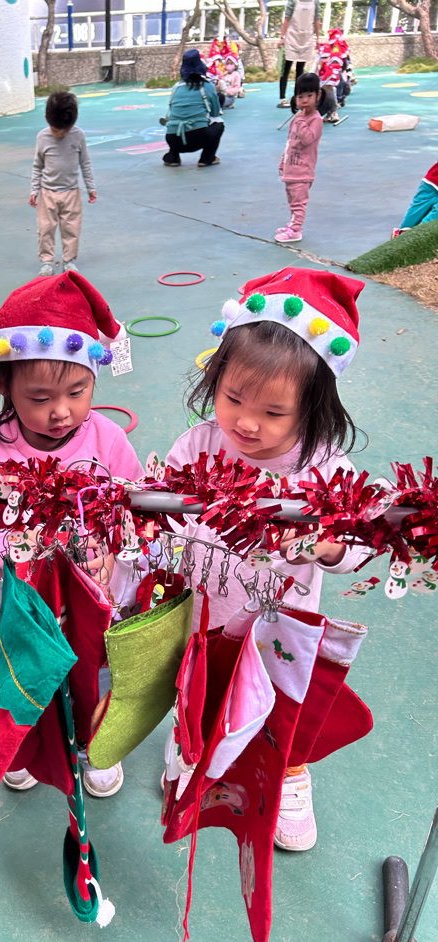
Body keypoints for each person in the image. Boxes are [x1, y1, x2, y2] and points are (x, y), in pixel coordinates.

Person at [162, 266, 367, 852]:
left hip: (280, 623)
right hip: (205, 612)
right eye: (233, 398)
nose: (247, 423)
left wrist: (331, 546)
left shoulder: (324, 469)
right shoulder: (199, 444)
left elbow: (358, 541)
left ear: (314, 408)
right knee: (198, 690)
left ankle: (290, 775)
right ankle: (190, 751)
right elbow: (163, 508)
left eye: (274, 412)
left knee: (283, 708)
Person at [0, 270, 144, 798]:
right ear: (3, 384)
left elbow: (136, 507)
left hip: (93, 592)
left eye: (77, 391)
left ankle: (94, 741)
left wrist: (113, 552)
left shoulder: (106, 439)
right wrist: (8, 548)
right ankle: (25, 743)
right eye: (40, 397)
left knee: (95, 666)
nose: (61, 411)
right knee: (24, 666)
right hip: (23, 595)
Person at [30, 91, 96, 278]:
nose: (60, 134)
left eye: (65, 130)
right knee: (45, 229)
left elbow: (85, 162)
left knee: (71, 228)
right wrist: (34, 190)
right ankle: (47, 262)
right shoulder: (42, 137)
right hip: (47, 193)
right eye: (56, 129)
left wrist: (91, 187)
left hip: (71, 192)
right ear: (46, 119)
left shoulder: (78, 135)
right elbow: (38, 165)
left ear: (73, 122)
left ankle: (69, 261)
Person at [276, 72, 324, 243]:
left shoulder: (315, 120)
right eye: (300, 96)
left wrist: (301, 121)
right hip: (291, 168)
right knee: (292, 201)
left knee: (298, 203)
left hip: (303, 171)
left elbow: (307, 139)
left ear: (318, 95)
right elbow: (290, 142)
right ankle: (292, 225)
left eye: (309, 95)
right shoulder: (298, 119)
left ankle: (296, 230)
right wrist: (283, 162)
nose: (304, 100)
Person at [162, 50, 225, 168]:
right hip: (199, 137)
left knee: (176, 125)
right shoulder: (207, 86)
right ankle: (207, 158)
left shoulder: (176, 87)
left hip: (173, 138)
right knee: (219, 124)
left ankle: (173, 157)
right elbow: (216, 113)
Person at [277, 0, 321, 108]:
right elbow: (286, 19)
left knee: (300, 71)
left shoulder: (315, 2)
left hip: (306, 37)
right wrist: (282, 37)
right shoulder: (293, 1)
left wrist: (318, 38)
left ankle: (298, 97)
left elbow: (317, 20)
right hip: (292, 36)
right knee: (286, 68)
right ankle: (282, 98)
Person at [393, 159, 438, 237]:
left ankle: (405, 235)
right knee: (414, 219)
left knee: (417, 215)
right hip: (431, 183)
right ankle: (408, 236)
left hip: (430, 182)